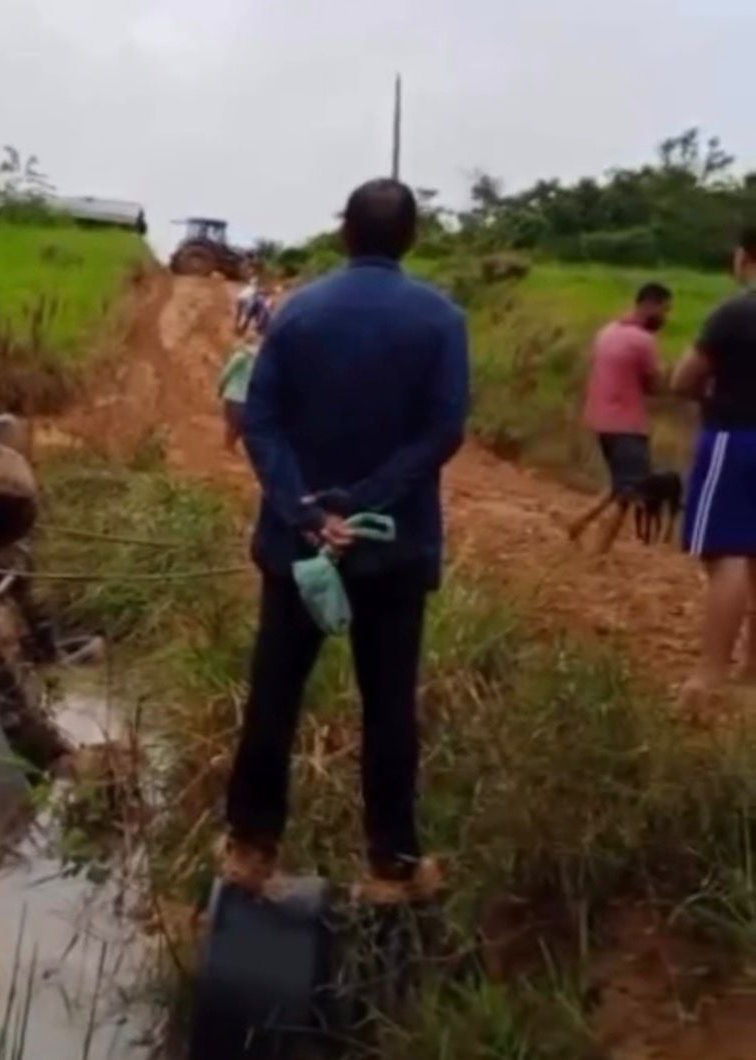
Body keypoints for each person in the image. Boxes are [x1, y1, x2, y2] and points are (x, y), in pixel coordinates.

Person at [222, 179, 469, 900]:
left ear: (343, 235)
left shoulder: (296, 316)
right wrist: (362, 504)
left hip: (296, 546)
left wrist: (305, 511)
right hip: (393, 546)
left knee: (274, 692)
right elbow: (442, 431)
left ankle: (249, 849)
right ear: (411, 240)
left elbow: (259, 422)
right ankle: (391, 865)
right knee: (388, 702)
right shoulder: (441, 321)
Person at [672, 227, 756, 702]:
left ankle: (709, 675)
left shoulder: (734, 312)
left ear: (744, 257)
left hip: (735, 438)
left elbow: (684, 379)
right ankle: (752, 674)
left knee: (727, 554)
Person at [567, 283, 673, 552]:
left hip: (600, 420)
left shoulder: (607, 333)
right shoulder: (643, 341)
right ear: (650, 305)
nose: (666, 317)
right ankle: (599, 550)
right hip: (626, 424)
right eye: (665, 309)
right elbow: (656, 387)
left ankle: (577, 523)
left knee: (621, 482)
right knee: (630, 492)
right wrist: (672, 377)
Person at [217, 328, 261, 451]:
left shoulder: (240, 356)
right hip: (246, 398)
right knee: (240, 425)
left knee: (232, 423)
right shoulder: (258, 360)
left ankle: (228, 445)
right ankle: (229, 446)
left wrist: (220, 388)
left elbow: (226, 373)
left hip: (234, 395)